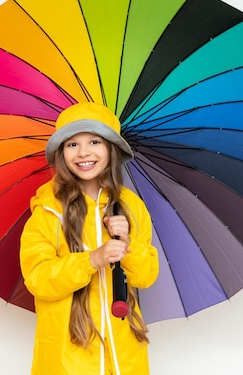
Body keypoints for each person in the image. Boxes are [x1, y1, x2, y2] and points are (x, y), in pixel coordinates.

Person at [20, 102, 159, 375]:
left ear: (111, 149)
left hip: (124, 355)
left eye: (94, 141)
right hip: (68, 356)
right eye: (72, 144)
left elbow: (146, 276)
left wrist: (128, 243)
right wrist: (91, 260)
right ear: (61, 153)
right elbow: (38, 278)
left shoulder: (131, 206)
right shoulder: (48, 210)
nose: (83, 152)